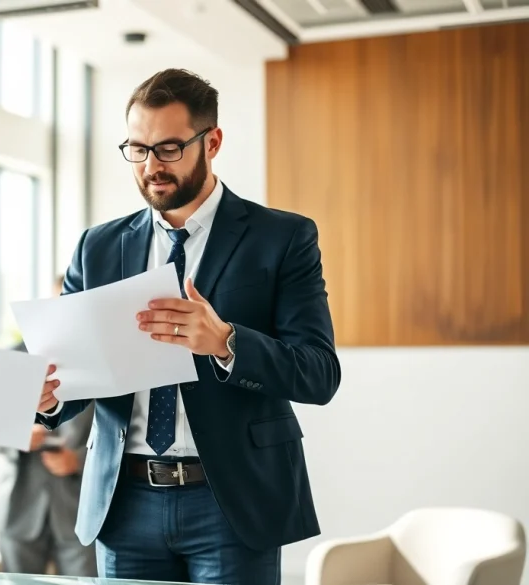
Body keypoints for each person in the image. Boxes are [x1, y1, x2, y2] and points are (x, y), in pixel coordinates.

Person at [34, 68, 342, 585]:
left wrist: (225, 342)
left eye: (169, 148)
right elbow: (74, 373)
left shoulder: (282, 238)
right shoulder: (98, 247)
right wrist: (49, 397)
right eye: (137, 149)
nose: (151, 166)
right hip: (123, 502)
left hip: (231, 502)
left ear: (212, 141)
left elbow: (318, 374)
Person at [0, 276, 97, 577]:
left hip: (79, 509)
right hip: (19, 507)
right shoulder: (11, 358)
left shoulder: (100, 359)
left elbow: (121, 431)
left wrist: (78, 460)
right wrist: (18, 435)